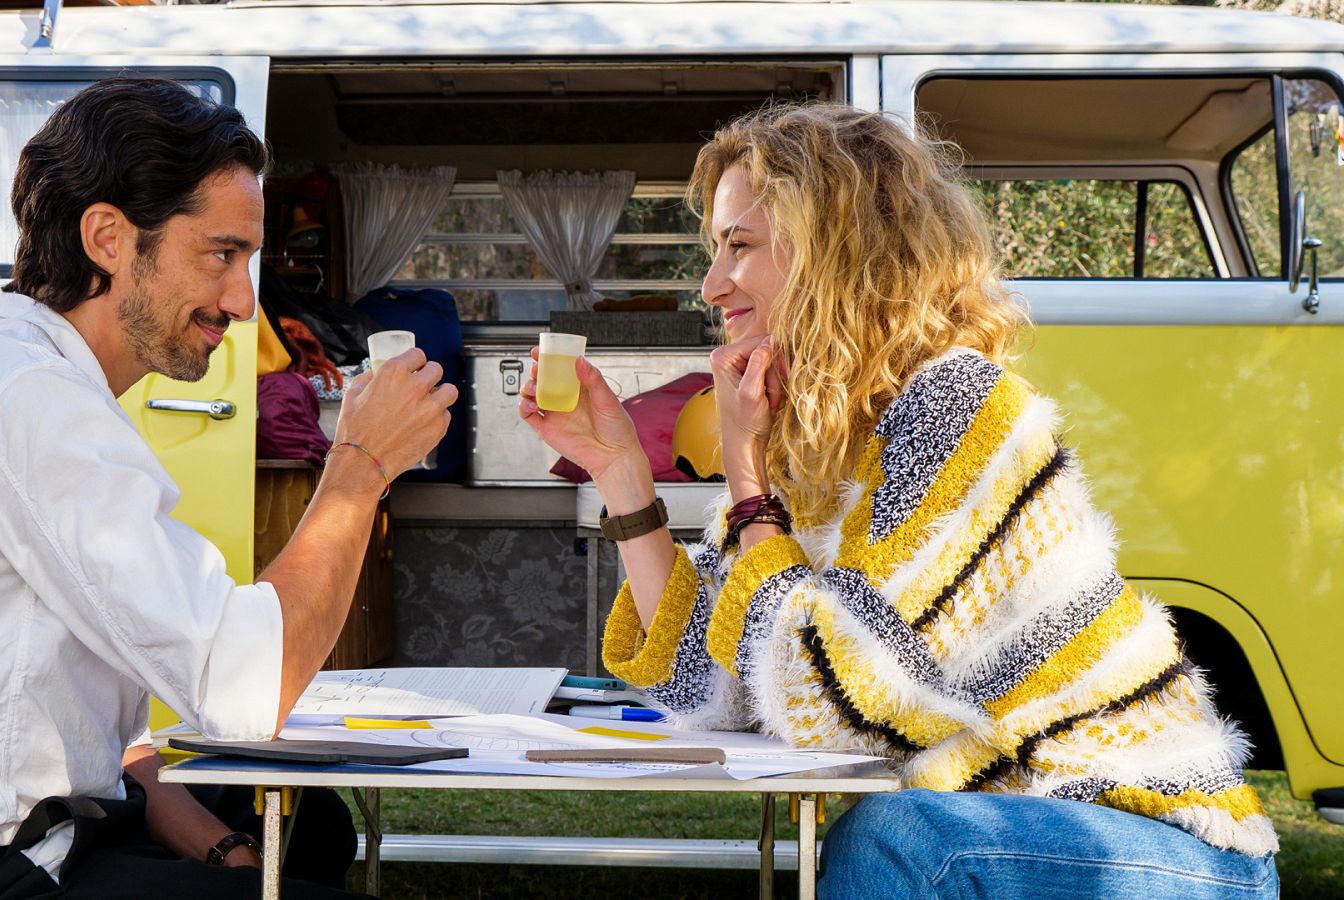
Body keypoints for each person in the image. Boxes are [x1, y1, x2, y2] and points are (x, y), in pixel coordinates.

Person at [520, 102, 1280, 897]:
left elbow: (835, 703)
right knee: (901, 836)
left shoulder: (958, 407)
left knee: (897, 840)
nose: (711, 286)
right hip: (1005, 826)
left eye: (739, 246)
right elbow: (708, 687)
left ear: (835, 251)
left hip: (1154, 837)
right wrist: (619, 471)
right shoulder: (815, 437)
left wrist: (748, 485)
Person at [0, 76, 455, 899]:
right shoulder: (32, 406)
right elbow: (247, 685)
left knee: (314, 824)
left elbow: (101, 715)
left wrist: (208, 836)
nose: (242, 301)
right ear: (109, 239)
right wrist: (360, 465)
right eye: (222, 255)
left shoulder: (17, 384)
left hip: (36, 828)